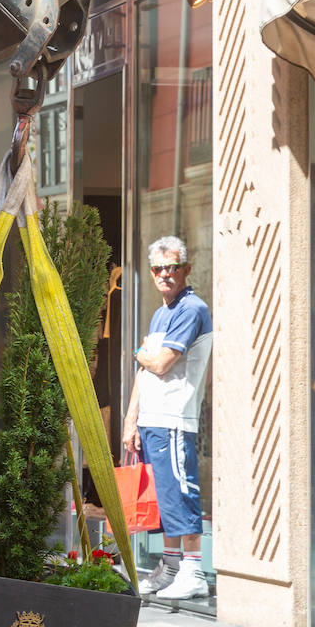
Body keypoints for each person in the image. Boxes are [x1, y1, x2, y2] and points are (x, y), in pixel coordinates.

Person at [121, 235, 213, 600]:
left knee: (182, 492)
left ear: (186, 270)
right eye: (158, 269)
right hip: (152, 419)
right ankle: (171, 566)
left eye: (172, 268)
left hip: (174, 418)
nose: (164, 275)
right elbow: (146, 371)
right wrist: (131, 421)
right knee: (164, 500)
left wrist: (139, 350)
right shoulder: (162, 313)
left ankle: (193, 571)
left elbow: (158, 363)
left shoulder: (191, 309)